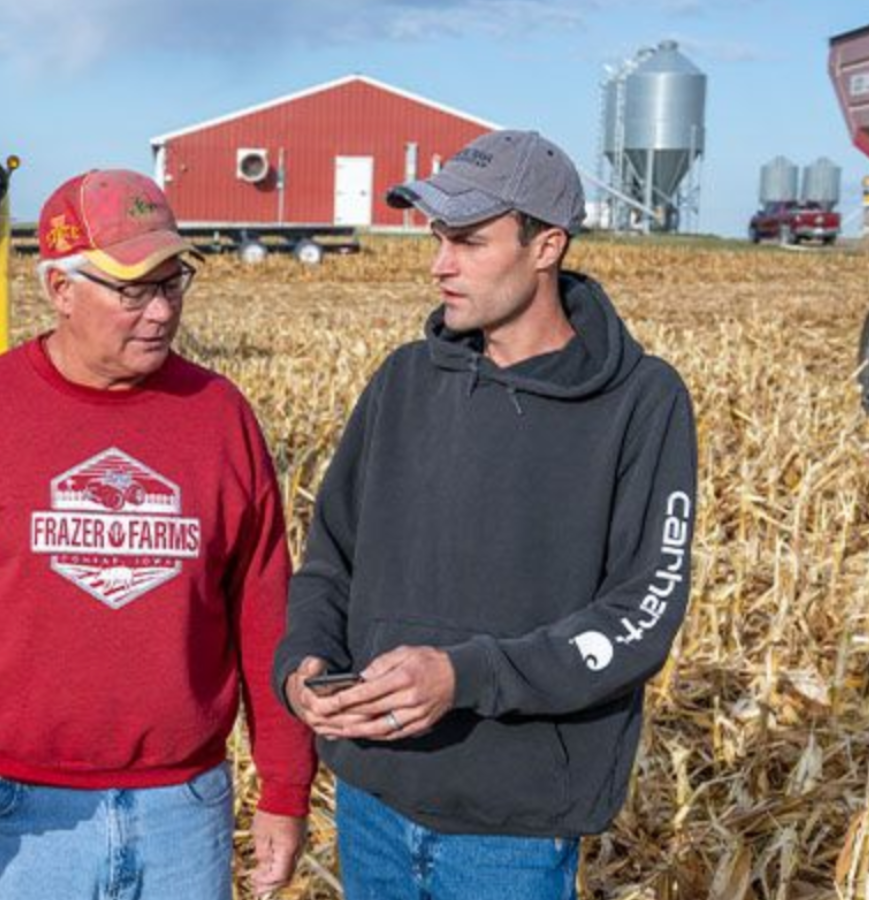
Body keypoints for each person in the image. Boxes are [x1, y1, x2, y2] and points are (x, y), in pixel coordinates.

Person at [0, 169, 317, 899]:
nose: (160, 312)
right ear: (59, 288)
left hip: (185, 812)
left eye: (173, 283)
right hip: (13, 813)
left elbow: (265, 612)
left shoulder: (218, 415)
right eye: (132, 290)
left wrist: (286, 787)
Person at [273, 130, 698, 899]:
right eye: (438, 239)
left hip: (513, 832)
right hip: (370, 801)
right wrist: (302, 664)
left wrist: (466, 677)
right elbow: (329, 558)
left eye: (468, 241)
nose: (440, 264)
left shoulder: (640, 401)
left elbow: (642, 615)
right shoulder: (403, 380)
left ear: (547, 246)